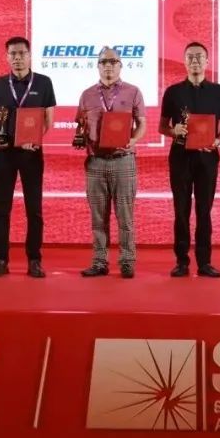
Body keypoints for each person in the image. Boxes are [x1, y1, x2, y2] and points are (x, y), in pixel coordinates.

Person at [0, 36, 57, 279]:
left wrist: (34, 138)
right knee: (1, 209)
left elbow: (48, 119)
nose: (17, 58)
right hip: (4, 154)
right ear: (7, 57)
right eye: (13, 54)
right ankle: (1, 259)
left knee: (34, 209)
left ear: (29, 55)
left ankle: (34, 260)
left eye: (21, 53)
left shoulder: (44, 82)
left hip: (31, 153)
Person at [160, 42, 220, 278]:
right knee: (181, 210)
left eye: (199, 56)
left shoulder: (218, 91)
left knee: (204, 211)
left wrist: (218, 141)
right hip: (180, 157)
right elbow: (162, 127)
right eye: (190, 56)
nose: (195, 61)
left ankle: (204, 262)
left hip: (207, 158)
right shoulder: (173, 92)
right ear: (184, 61)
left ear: (207, 61)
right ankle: (181, 261)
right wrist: (173, 131)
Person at [75, 46, 147, 279]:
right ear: (97, 65)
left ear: (120, 65)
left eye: (113, 61)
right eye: (103, 61)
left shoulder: (133, 91)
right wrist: (79, 137)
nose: (108, 65)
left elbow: (142, 123)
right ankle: (99, 261)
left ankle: (127, 261)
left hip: (123, 160)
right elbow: (80, 124)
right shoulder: (87, 94)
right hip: (95, 162)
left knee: (125, 216)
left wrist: (133, 140)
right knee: (98, 217)